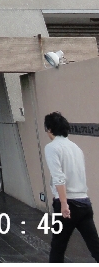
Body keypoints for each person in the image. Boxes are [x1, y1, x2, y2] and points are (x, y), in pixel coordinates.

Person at [44, 111, 99, 263]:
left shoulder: (52, 147)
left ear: (49, 129)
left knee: (58, 247)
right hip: (84, 203)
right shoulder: (76, 148)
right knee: (95, 247)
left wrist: (63, 204)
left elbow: (59, 177)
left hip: (67, 204)